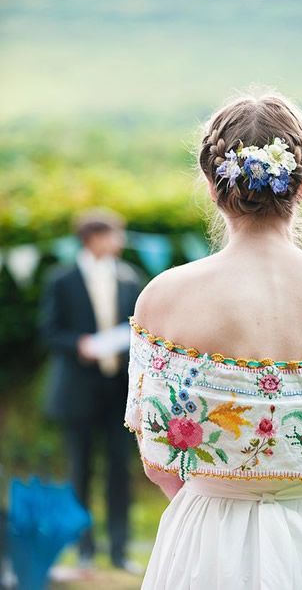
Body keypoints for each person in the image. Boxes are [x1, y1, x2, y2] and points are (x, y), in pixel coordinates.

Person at [124, 90, 302, 589]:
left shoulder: (162, 297)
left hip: (208, 533)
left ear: (212, 185)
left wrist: (222, 514)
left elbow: (158, 455)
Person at [38, 208, 145, 573]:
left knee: (120, 472)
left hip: (118, 392)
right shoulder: (62, 279)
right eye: (114, 234)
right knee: (80, 472)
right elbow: (49, 331)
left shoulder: (131, 277)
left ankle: (119, 550)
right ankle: (84, 551)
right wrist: (79, 344)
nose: (120, 241)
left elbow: (142, 332)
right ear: (92, 238)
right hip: (78, 392)